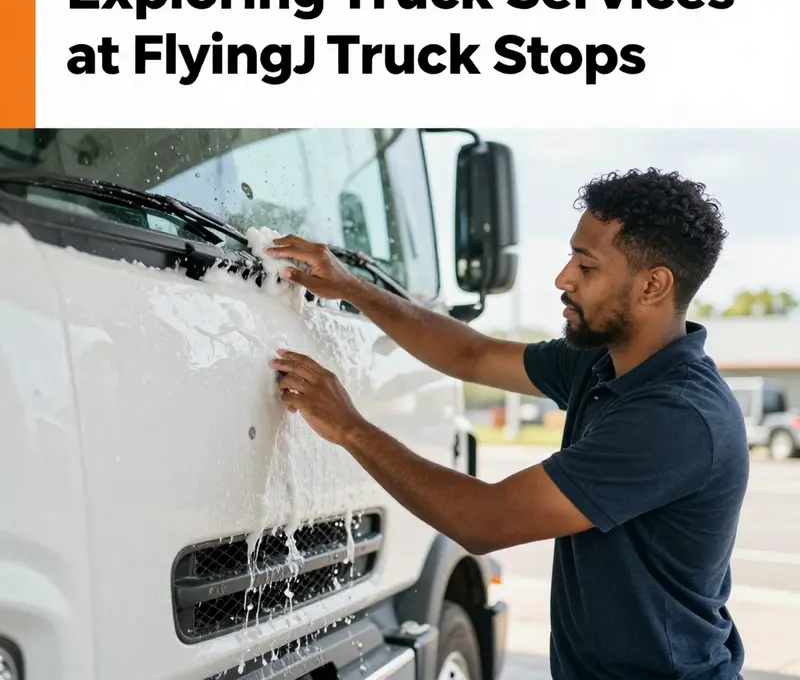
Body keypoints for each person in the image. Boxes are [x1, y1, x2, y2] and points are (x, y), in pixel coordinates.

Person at [266, 167, 750, 680]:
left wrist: (349, 427)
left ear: (654, 284)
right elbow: (471, 354)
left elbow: (484, 521)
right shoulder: (603, 362)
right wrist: (351, 288)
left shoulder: (675, 418)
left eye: (586, 266)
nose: (563, 277)